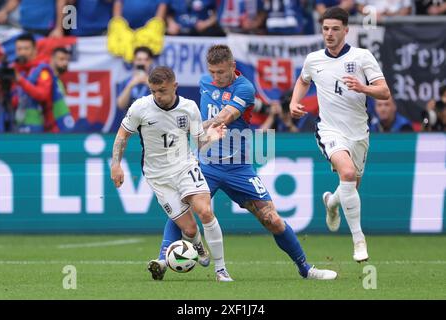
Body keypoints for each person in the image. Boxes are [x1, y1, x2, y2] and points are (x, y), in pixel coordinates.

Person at [149, 44, 338, 281]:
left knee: (272, 219)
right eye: (212, 72)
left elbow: (225, 117)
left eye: (221, 72)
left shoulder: (245, 88)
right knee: (182, 208)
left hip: (239, 167)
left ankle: (305, 269)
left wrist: (192, 128)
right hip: (205, 164)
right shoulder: (204, 82)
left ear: (233, 67)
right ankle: (162, 260)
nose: (216, 78)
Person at [110, 66, 233, 282]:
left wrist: (211, 137)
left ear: (174, 86)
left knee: (204, 211)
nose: (158, 96)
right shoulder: (140, 107)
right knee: (189, 227)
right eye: (154, 91)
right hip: (158, 176)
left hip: (185, 166)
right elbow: (122, 135)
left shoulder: (189, 108)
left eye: (162, 91)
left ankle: (221, 270)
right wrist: (116, 164)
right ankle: (198, 247)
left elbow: (199, 141)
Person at [290, 7, 390, 262]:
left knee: (350, 185)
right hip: (329, 129)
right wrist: (294, 103)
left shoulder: (362, 56)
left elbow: (384, 92)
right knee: (347, 173)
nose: (329, 34)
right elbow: (303, 80)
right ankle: (359, 240)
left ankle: (332, 203)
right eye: (325, 29)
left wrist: (363, 87)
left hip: (358, 132)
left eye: (335, 29)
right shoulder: (313, 59)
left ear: (346, 30)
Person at [12, 33, 74, 133]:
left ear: (35, 49)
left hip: (38, 126)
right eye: (19, 49)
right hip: (16, 125)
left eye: (26, 48)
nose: (22, 52)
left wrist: (20, 81)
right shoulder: (15, 70)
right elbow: (14, 99)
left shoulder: (42, 70)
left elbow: (42, 95)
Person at [116, 47, 154, 111]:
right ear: (134, 61)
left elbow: (163, 103)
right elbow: (121, 105)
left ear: (150, 61)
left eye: (146, 60)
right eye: (139, 59)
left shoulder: (156, 82)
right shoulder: (125, 82)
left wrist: (150, 85)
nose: (142, 63)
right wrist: (130, 86)